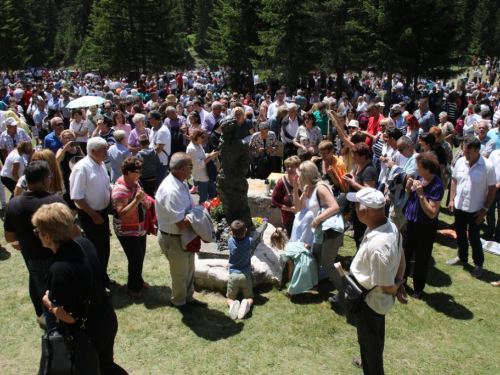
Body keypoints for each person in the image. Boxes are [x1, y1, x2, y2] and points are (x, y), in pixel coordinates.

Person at [34, 203, 127, 374]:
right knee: (106, 366)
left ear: (47, 236)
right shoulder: (85, 244)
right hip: (106, 318)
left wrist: (50, 304)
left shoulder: (59, 269)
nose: (37, 235)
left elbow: (69, 317)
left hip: (88, 334)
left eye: (37, 232)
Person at [338, 187, 406, 375]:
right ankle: (368, 360)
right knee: (372, 341)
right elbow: (401, 252)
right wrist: (400, 281)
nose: (354, 208)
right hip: (377, 302)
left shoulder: (378, 247)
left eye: (356, 205)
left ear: (365, 211)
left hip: (370, 304)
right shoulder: (390, 225)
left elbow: (385, 284)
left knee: (370, 345)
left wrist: (396, 287)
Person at [4, 161, 78, 328]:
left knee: (47, 300)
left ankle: (54, 333)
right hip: (59, 258)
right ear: (46, 180)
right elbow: (75, 232)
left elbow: (9, 238)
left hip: (33, 260)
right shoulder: (54, 202)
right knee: (67, 296)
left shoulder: (14, 204)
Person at [155, 152, 208, 312]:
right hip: (174, 238)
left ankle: (188, 297)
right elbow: (180, 223)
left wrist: (196, 212)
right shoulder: (171, 191)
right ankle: (179, 302)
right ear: (182, 168)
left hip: (185, 236)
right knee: (180, 273)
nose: (192, 170)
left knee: (190, 269)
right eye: (190, 167)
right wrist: (201, 212)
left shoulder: (182, 183)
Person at [447, 136, 497, 278]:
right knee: (460, 234)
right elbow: (455, 181)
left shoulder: (487, 166)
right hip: (460, 206)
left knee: (474, 237)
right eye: (464, 151)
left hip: (476, 209)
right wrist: (452, 200)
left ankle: (478, 263)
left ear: (477, 151)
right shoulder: (461, 162)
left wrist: (485, 209)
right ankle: (462, 257)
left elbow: (492, 189)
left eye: (468, 153)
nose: (465, 155)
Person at [293, 161, 343, 298]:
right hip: (321, 231)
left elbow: (335, 207)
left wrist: (316, 220)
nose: (299, 177)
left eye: (300, 175)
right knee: (315, 258)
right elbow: (298, 208)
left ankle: (346, 292)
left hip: (331, 231)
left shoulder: (321, 188)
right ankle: (313, 283)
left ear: (306, 174)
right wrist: (295, 188)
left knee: (327, 264)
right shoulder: (308, 188)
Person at [70, 137, 113, 277]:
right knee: (95, 249)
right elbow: (76, 196)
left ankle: (103, 275)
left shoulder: (100, 164)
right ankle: (97, 280)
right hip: (90, 215)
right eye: (103, 150)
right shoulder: (82, 168)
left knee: (105, 247)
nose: (106, 152)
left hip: (102, 213)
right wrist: (93, 214)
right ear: (93, 151)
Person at [404, 153, 445, 298]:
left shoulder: (437, 185)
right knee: (405, 254)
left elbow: (432, 213)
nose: (416, 168)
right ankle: (402, 282)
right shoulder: (420, 178)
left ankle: (418, 288)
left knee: (422, 258)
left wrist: (421, 194)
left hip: (425, 228)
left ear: (427, 168)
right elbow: (411, 199)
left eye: (419, 167)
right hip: (411, 223)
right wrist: (409, 188)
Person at [112, 156, 153, 297]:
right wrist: (137, 200)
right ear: (128, 172)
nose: (140, 174)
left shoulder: (136, 182)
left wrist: (146, 202)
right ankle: (132, 287)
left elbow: (142, 196)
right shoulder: (120, 189)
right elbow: (122, 213)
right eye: (138, 172)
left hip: (138, 227)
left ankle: (138, 279)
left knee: (140, 255)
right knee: (135, 257)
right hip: (125, 229)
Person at [342, 142, 378, 248]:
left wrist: (352, 183)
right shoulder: (358, 165)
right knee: (357, 233)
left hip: (364, 208)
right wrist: (349, 176)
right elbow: (353, 174)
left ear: (363, 156)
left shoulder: (369, 170)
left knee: (361, 235)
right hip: (356, 205)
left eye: (355, 155)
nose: (352, 157)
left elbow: (370, 190)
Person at [271, 228, 318, 297]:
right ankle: (313, 285)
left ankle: (293, 291)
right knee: (309, 274)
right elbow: (307, 245)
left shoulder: (283, 251)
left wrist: (290, 276)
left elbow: (291, 264)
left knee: (295, 282)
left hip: (303, 262)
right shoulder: (294, 243)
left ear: (276, 243)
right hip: (311, 258)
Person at [226, 220, 254, 320]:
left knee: (230, 298)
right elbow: (248, 252)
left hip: (233, 274)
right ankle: (246, 303)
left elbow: (233, 253)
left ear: (232, 232)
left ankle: (232, 304)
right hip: (245, 274)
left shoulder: (230, 241)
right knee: (249, 297)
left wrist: (229, 264)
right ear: (245, 230)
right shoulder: (250, 241)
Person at [186, 128, 218, 203]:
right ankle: (202, 213)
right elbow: (198, 165)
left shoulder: (198, 145)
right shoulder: (191, 149)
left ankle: (211, 211)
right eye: (202, 137)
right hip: (201, 176)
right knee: (203, 198)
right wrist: (210, 157)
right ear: (196, 137)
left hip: (207, 173)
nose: (203, 139)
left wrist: (210, 155)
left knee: (213, 193)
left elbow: (202, 156)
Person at [272, 156, 301, 237]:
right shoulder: (281, 182)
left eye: (292, 166)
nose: (289, 169)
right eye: (287, 166)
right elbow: (274, 200)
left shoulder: (302, 180)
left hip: (302, 216)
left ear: (297, 167)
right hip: (288, 219)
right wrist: (290, 209)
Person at [55, 130, 84, 210]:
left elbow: (84, 159)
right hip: (67, 179)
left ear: (73, 137)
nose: (68, 140)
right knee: (70, 203)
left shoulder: (77, 148)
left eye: (69, 137)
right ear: (62, 140)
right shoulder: (61, 150)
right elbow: (56, 161)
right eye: (65, 138)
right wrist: (64, 150)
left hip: (78, 177)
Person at [148, 110, 171, 189]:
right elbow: (151, 143)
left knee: (159, 186)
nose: (148, 120)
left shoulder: (162, 131)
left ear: (153, 119)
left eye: (149, 118)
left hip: (161, 162)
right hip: (154, 161)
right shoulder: (153, 128)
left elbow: (159, 148)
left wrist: (146, 154)